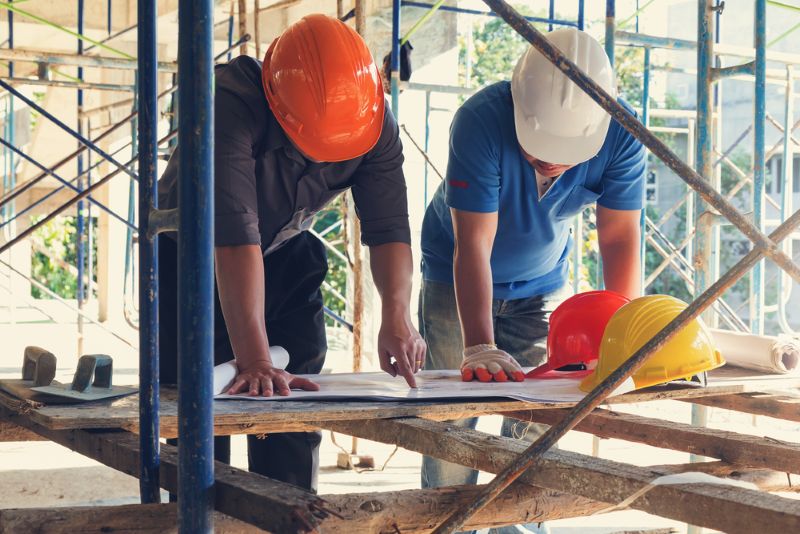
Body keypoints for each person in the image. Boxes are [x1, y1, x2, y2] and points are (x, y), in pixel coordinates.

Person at [157, 14, 426, 492]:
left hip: (283, 247)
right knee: (197, 411)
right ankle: (197, 513)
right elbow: (234, 235)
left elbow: (389, 229)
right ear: (278, 103)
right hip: (190, 254)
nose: (325, 159)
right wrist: (256, 359)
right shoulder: (229, 101)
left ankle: (288, 509)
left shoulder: (372, 117)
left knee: (292, 398)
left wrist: (398, 317)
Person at [418, 28, 646, 533]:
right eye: (539, 149)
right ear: (519, 107)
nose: (551, 163)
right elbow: (472, 244)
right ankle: (442, 525)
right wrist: (478, 345)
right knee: (452, 418)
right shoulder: (480, 120)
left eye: (568, 154)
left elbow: (619, 238)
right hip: (454, 280)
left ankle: (519, 527)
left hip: (539, 284)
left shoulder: (625, 133)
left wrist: (623, 339)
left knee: (534, 419)